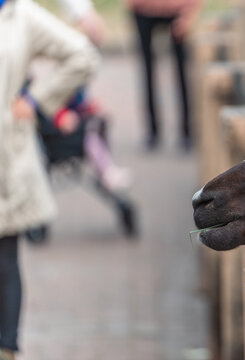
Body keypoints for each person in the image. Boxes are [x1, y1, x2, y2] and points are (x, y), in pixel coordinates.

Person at [0, 0, 98, 358]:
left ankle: (6, 349)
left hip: (4, 159)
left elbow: (82, 54)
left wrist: (37, 100)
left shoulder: (20, 15)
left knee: (4, 261)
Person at [126, 0, 203, 150]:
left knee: (181, 72)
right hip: (142, 9)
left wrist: (188, 14)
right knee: (146, 70)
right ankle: (152, 130)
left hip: (177, 9)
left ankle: (186, 130)